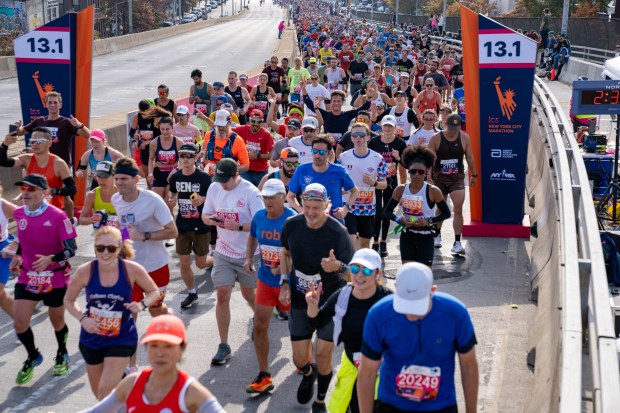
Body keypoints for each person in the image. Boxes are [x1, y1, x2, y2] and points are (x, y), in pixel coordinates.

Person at [358, 263, 479, 413]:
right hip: (392, 405)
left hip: (440, 406)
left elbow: (469, 366)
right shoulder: (378, 316)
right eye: (406, 304)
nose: (411, 314)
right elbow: (367, 373)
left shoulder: (456, 314)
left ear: (432, 291)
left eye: (418, 305)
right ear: (396, 287)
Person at [280, 183, 354, 412]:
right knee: (299, 359)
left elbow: (352, 273)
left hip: (330, 300)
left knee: (323, 354)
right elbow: (285, 253)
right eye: (307, 206)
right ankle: (307, 373)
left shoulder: (338, 232)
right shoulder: (291, 225)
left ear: (327, 206)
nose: (310, 212)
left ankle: (320, 401)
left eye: (316, 208)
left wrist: (337, 266)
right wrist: (284, 281)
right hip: (302, 299)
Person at [64, 226, 160, 400]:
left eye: (111, 248)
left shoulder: (131, 269)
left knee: (104, 392)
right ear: (95, 248)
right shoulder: (85, 271)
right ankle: (124, 386)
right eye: (100, 248)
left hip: (122, 336)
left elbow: (154, 291)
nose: (105, 253)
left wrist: (142, 304)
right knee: (101, 398)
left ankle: (122, 380)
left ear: (119, 248)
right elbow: (68, 300)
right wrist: (82, 318)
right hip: (92, 338)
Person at [78, 314, 226, 413]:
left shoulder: (191, 392)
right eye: (154, 345)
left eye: (168, 346)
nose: (160, 353)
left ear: (182, 349)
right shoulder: (131, 383)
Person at [10, 174, 77, 385]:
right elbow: (22, 242)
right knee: (20, 322)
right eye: (23, 189)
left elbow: (71, 250)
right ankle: (32, 356)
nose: (26, 193)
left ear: (44, 192)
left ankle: (62, 352)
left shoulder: (58, 217)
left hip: (55, 275)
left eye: (31, 189)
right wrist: (18, 256)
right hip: (28, 274)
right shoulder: (19, 213)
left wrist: (51, 259)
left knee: (56, 320)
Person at [306, 248, 391, 413]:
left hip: (381, 372)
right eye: (354, 269)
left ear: (378, 274)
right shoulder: (343, 296)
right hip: (352, 367)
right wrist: (312, 307)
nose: (359, 275)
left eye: (366, 270)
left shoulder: (389, 302)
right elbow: (316, 322)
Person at [202, 159, 265, 365]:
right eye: (218, 179)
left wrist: (237, 226)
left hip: (248, 253)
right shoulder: (214, 187)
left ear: (236, 175)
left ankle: (259, 317)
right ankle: (224, 345)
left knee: (248, 293)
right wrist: (212, 220)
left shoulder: (250, 192)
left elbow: (260, 223)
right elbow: (205, 216)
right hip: (223, 251)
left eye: (225, 180)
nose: (221, 184)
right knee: (222, 294)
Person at [243, 179, 297, 394]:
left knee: (299, 325)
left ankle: (304, 360)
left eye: (272, 197)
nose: (267, 201)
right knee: (259, 325)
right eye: (265, 197)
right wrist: (249, 258)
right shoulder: (258, 217)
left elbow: (300, 251)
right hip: (265, 280)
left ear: (283, 197)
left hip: (291, 283)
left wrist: (286, 270)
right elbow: (252, 237)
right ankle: (264, 374)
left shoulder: (293, 219)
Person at [112, 157, 178, 318]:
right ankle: (128, 342)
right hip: (129, 267)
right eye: (116, 179)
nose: (119, 183)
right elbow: (126, 230)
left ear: (136, 179)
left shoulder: (153, 200)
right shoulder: (116, 200)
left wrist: (144, 235)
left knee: (155, 310)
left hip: (156, 266)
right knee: (129, 310)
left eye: (124, 179)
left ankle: (170, 319)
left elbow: (173, 232)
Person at [383, 145, 451, 266]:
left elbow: (447, 213)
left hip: (426, 237)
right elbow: (387, 212)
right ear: (408, 170)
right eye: (413, 171)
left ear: (426, 173)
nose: (417, 174)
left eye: (421, 172)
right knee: (408, 272)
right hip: (407, 235)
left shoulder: (433, 191)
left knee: (424, 274)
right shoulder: (400, 190)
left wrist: (429, 221)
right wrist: (399, 219)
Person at [167, 143, 213, 309]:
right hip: (183, 225)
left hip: (201, 225)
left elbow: (215, 197)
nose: (185, 159)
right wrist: (172, 199)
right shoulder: (176, 177)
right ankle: (192, 292)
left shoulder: (204, 178)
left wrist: (203, 199)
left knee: (201, 263)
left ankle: (216, 261)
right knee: (185, 262)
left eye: (188, 156)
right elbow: (172, 191)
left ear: (195, 158)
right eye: (182, 156)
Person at [1, 126, 77, 220]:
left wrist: (52, 191)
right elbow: (3, 161)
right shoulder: (26, 159)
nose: (35, 144)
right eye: (33, 141)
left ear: (49, 143)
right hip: (32, 212)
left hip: (54, 213)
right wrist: (5, 144)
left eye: (39, 141)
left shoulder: (58, 163)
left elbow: (72, 189)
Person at [427, 114, 477, 253]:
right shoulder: (436, 138)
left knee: (458, 209)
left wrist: (474, 174)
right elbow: (429, 158)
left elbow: (470, 156)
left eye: (456, 128)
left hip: (457, 179)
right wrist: (429, 177)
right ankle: (437, 234)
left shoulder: (464, 138)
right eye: (451, 128)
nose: (453, 131)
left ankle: (457, 242)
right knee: (441, 208)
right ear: (445, 125)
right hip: (439, 179)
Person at [338, 123, 388, 250]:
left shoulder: (378, 158)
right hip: (349, 206)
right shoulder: (343, 158)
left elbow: (384, 184)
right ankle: (350, 268)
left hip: (367, 208)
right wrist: (341, 188)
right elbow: (337, 180)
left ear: (368, 137)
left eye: (361, 135)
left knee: (365, 245)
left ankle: (361, 267)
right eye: (354, 135)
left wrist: (374, 183)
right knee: (351, 241)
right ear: (351, 138)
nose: (358, 138)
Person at [287, 135, 359, 222]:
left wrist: (345, 209)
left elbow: (354, 191)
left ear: (329, 153)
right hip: (310, 223)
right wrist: (301, 210)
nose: (317, 155)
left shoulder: (339, 171)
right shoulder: (302, 170)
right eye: (314, 151)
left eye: (322, 152)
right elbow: (290, 196)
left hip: (333, 223)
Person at [368, 116, 408, 257]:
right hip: (377, 182)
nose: (388, 129)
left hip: (391, 182)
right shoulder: (373, 142)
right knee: (377, 212)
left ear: (395, 128)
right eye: (385, 126)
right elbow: (367, 159)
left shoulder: (400, 143)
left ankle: (383, 241)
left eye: (390, 126)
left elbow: (407, 164)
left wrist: (398, 158)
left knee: (386, 212)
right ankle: (375, 241)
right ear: (381, 126)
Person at [17, 90, 90, 166]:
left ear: (60, 105)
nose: (52, 105)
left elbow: (88, 135)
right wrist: (18, 127)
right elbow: (20, 132)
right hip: (43, 166)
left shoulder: (67, 122)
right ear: (46, 104)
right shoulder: (39, 121)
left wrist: (80, 125)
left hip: (62, 167)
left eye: (55, 102)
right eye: (50, 102)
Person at [148, 117, 184, 216]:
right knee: (156, 204)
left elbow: (183, 161)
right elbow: (151, 159)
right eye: (162, 129)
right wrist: (150, 173)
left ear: (172, 128)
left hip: (172, 175)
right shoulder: (154, 143)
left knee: (169, 205)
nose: (164, 132)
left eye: (167, 129)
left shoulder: (179, 143)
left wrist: (176, 170)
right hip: (159, 174)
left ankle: (172, 229)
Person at [201, 109, 250, 177]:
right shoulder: (209, 136)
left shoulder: (237, 140)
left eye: (223, 125)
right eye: (218, 125)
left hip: (229, 180)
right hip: (212, 178)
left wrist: (229, 171)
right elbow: (207, 155)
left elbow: (245, 166)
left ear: (230, 122)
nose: (221, 128)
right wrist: (203, 164)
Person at [232, 109, 274, 186]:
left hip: (261, 171)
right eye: (253, 121)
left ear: (261, 122)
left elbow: (273, 154)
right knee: (245, 193)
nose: (255, 124)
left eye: (258, 122)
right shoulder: (243, 129)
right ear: (249, 120)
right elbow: (226, 130)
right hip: (245, 170)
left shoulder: (266, 134)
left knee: (260, 195)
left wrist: (258, 156)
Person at [78, 161, 120, 229]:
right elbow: (81, 219)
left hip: (121, 235)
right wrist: (92, 219)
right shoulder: (92, 195)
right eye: (99, 177)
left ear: (114, 176)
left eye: (105, 177)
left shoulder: (122, 192)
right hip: (101, 236)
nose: (101, 180)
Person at [0, 192, 18, 320]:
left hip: (2, 253)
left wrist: (17, 243)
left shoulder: (3, 206)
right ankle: (21, 322)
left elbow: (28, 222)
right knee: (2, 297)